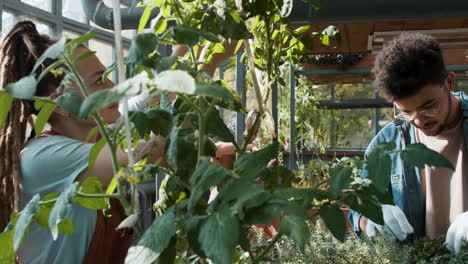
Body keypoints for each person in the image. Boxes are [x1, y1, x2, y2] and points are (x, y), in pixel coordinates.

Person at [0, 21, 165, 263]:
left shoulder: (95, 136)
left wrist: (205, 57)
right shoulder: (41, 157)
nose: (113, 86)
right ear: (61, 103)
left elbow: (153, 101)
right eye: (99, 80)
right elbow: (145, 153)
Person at [348, 33, 468, 254]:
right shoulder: (386, 143)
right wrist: (370, 218)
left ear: (449, 82)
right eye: (406, 112)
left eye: (429, 106)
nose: (419, 120)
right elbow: (359, 209)